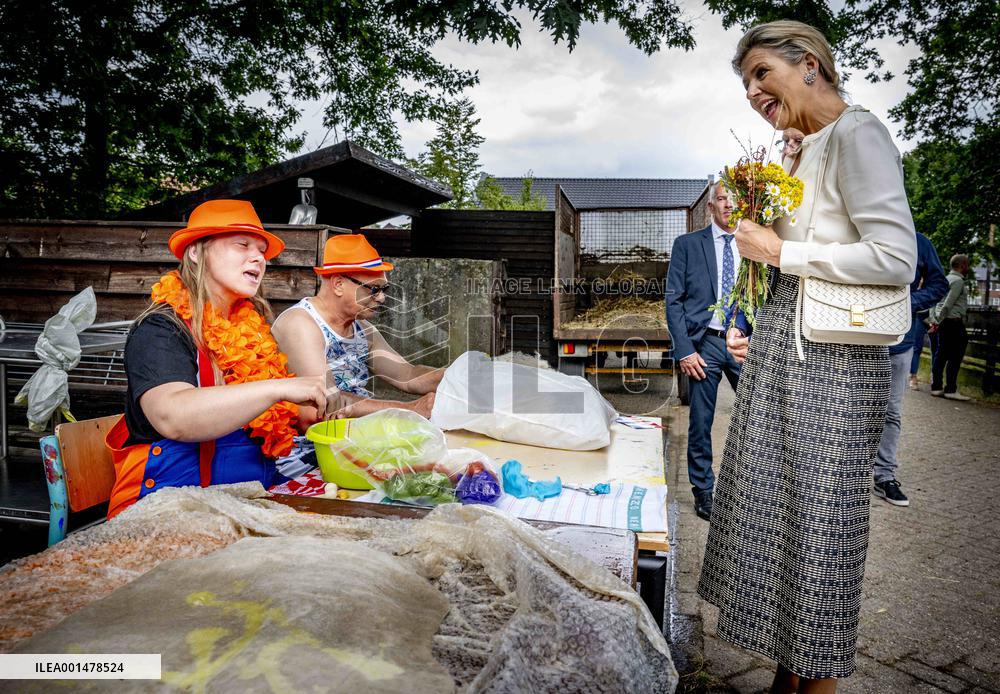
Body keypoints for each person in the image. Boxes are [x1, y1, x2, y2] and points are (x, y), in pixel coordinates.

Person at [697, 20, 917, 694]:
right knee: (779, 515)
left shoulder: (858, 134)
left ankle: (816, 681)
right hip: (786, 347)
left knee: (819, 531)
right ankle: (785, 679)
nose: (753, 91)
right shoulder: (803, 146)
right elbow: (772, 253)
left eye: (762, 73)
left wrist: (781, 250)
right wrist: (742, 217)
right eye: (745, 83)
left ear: (811, 63)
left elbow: (896, 257)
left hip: (835, 363)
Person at [105, 200, 328, 519]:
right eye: (243, 245)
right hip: (165, 509)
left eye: (262, 250)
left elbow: (279, 418)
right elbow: (174, 416)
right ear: (196, 251)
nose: (258, 257)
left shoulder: (251, 333)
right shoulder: (160, 328)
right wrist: (276, 389)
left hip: (247, 500)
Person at [272, 234, 443, 424]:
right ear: (338, 284)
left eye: (383, 290)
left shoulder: (363, 329)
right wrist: (409, 409)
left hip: (355, 435)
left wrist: (458, 376)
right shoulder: (301, 324)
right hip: (313, 443)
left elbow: (408, 375)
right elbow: (324, 403)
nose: (381, 298)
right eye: (373, 289)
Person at [665, 182, 742, 521]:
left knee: (760, 416)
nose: (728, 205)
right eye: (722, 199)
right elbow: (674, 300)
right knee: (700, 422)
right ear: (710, 207)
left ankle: (752, 486)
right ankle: (704, 491)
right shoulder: (687, 246)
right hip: (705, 342)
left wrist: (752, 334)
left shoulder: (753, 245)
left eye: (733, 199)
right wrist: (684, 350)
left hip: (744, 343)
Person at [873, 232, 948, 506]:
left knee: (891, 411)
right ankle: (847, 474)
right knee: (851, 408)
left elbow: (940, 284)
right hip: (855, 339)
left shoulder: (918, 241)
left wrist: (906, 304)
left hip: (900, 340)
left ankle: (884, 477)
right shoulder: (858, 231)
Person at [929, 254, 972, 400]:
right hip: (953, 322)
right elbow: (948, 303)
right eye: (967, 264)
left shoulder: (944, 279)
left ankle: (936, 387)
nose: (969, 267)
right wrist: (938, 321)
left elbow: (934, 301)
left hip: (943, 323)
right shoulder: (958, 281)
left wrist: (935, 320)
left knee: (940, 355)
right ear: (962, 265)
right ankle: (950, 389)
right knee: (955, 356)